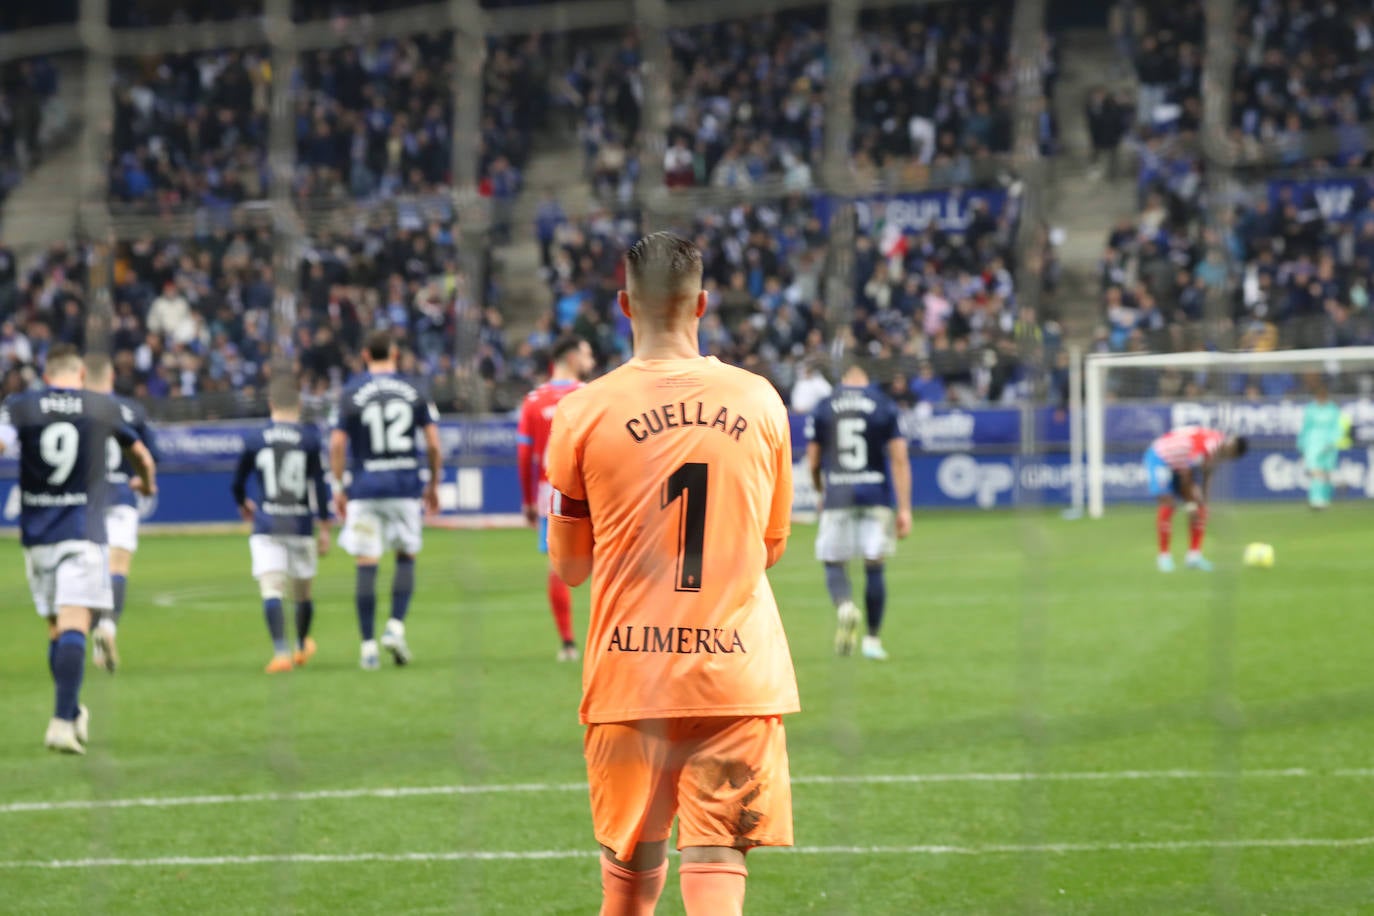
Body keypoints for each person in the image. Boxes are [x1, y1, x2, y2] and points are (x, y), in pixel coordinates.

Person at [545, 232, 798, 916]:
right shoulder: (761, 402)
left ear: (624, 304)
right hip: (735, 674)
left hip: (633, 677)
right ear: (703, 304)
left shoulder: (578, 413)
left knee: (627, 889)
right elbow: (769, 547)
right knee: (717, 866)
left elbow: (568, 568)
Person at [0, 344, 156, 753]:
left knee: (57, 628)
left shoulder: (20, 404)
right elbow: (140, 454)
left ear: (47, 375)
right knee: (75, 623)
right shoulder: (98, 406)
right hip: (82, 528)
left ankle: (70, 712)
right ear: (81, 374)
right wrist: (147, 483)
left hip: (35, 534)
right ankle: (60, 722)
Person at [330, 332, 441, 669]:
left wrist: (338, 485)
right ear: (394, 353)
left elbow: (336, 444)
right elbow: (434, 444)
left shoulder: (351, 392)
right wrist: (433, 482)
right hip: (405, 487)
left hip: (365, 488)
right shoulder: (416, 390)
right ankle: (394, 626)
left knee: (367, 563)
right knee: (406, 555)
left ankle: (367, 647)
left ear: (365, 354)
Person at [806, 363, 912, 660]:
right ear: (865, 375)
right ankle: (873, 641)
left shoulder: (825, 406)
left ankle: (845, 606)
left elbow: (813, 461)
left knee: (833, 561)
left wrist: (819, 491)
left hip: (838, 494)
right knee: (875, 565)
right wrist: (904, 508)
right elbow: (900, 458)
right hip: (875, 494)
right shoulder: (883, 404)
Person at [232, 375, 332, 672]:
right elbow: (320, 487)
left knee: (272, 589)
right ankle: (302, 646)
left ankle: (280, 653)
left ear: (271, 403)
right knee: (303, 593)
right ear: (299, 404)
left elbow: (237, 482)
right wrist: (325, 526)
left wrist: (243, 504)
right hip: (300, 524)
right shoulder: (309, 438)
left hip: (267, 523)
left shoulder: (255, 438)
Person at [517, 334, 595, 661]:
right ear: (573, 356)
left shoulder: (533, 400)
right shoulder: (590, 396)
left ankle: (567, 644)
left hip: (552, 494)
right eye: (588, 352)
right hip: (592, 490)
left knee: (558, 566)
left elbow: (524, 456)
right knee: (606, 563)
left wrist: (528, 501)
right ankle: (609, 639)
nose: (591, 359)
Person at [83, 352, 158, 674]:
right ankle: (109, 630)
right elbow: (149, 453)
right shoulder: (132, 410)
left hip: (87, 497)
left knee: (87, 569)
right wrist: (144, 482)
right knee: (118, 567)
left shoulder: (78, 408)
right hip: (122, 495)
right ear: (111, 377)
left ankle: (86, 631)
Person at [1143, 426, 1248, 572]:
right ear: (1232, 447)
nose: (1229, 458)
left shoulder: (1219, 451)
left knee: (1201, 509)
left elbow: (1207, 474)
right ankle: (1164, 558)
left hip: (1180, 465)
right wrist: (1191, 503)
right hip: (1161, 457)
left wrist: (1203, 502)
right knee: (1167, 503)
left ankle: (1194, 557)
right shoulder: (1211, 445)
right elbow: (1187, 471)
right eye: (1232, 454)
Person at [1298, 379, 1349, 509]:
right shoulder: (1311, 409)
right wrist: (1302, 442)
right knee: (1315, 470)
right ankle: (1316, 499)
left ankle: (1325, 499)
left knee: (1327, 471)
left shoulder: (1333, 409)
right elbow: (1306, 427)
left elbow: (1337, 427)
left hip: (1329, 444)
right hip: (1313, 443)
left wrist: (1333, 441)